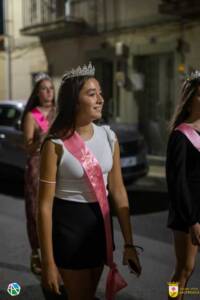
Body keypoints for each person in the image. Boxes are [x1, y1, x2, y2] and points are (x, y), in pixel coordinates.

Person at [37, 62, 142, 300]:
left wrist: (129, 243)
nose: (101, 99)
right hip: (69, 229)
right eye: (92, 94)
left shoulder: (109, 136)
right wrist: (48, 262)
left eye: (100, 93)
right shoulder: (55, 144)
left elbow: (117, 190)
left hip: (100, 227)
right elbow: (43, 206)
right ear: (75, 101)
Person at [166, 71, 200, 299]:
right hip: (188, 213)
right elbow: (177, 183)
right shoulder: (180, 136)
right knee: (184, 269)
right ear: (190, 100)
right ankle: (173, 297)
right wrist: (192, 220)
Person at [21, 73, 56, 275]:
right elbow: (28, 148)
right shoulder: (32, 116)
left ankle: (54, 251)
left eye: (51, 88)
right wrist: (41, 139)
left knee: (56, 210)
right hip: (37, 166)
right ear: (37, 93)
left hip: (58, 166)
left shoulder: (59, 113)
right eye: (44, 88)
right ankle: (36, 251)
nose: (48, 92)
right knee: (36, 210)